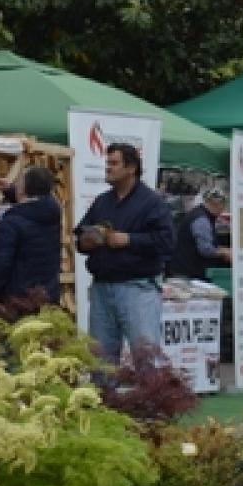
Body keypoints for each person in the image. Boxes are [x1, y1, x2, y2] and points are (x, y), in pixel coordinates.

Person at [74, 143, 175, 361]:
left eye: (114, 163)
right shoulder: (102, 201)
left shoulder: (152, 202)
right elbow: (80, 237)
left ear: (131, 168)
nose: (107, 168)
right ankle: (104, 395)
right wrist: (86, 242)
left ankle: (152, 396)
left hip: (137, 288)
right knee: (100, 360)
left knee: (146, 357)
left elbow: (167, 242)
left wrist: (130, 239)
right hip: (102, 287)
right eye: (107, 163)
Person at [0, 164, 62, 305]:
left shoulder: (11, 223)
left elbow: (0, 266)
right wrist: (10, 191)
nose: (16, 184)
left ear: (23, 190)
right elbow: (33, 206)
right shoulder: (52, 214)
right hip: (47, 298)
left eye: (19, 182)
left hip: (19, 302)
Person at [165, 186, 231, 280]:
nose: (223, 209)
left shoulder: (199, 214)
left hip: (185, 270)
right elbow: (206, 249)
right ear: (216, 204)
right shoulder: (202, 220)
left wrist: (223, 249)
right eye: (223, 205)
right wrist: (225, 252)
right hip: (187, 273)